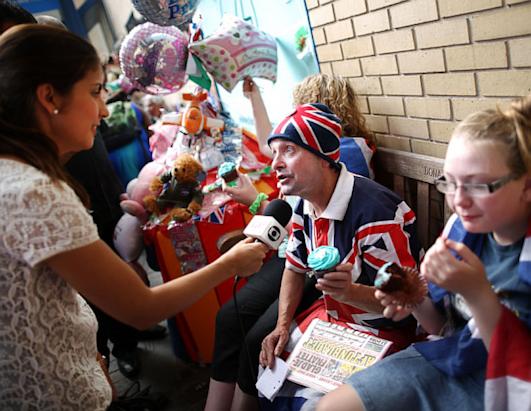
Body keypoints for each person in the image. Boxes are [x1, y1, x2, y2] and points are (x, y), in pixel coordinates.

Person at [0, 25, 268, 410]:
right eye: (95, 91)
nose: (105, 109)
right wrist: (231, 263)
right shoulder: (35, 193)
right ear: (49, 97)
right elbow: (141, 308)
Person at [316, 97, 531, 411]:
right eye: (451, 183)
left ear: (526, 187)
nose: (458, 201)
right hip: (455, 356)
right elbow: (439, 328)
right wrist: (413, 298)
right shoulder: (463, 231)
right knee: (330, 407)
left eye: (477, 186)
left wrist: (478, 294)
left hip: (510, 383)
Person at [207, 103, 421, 411]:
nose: (275, 164)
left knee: (308, 405)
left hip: (382, 333)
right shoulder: (303, 205)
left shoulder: (377, 215)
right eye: (275, 152)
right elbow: (294, 268)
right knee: (269, 365)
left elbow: (404, 304)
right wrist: (282, 325)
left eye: (289, 150)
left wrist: (350, 292)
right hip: (334, 320)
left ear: (324, 158)